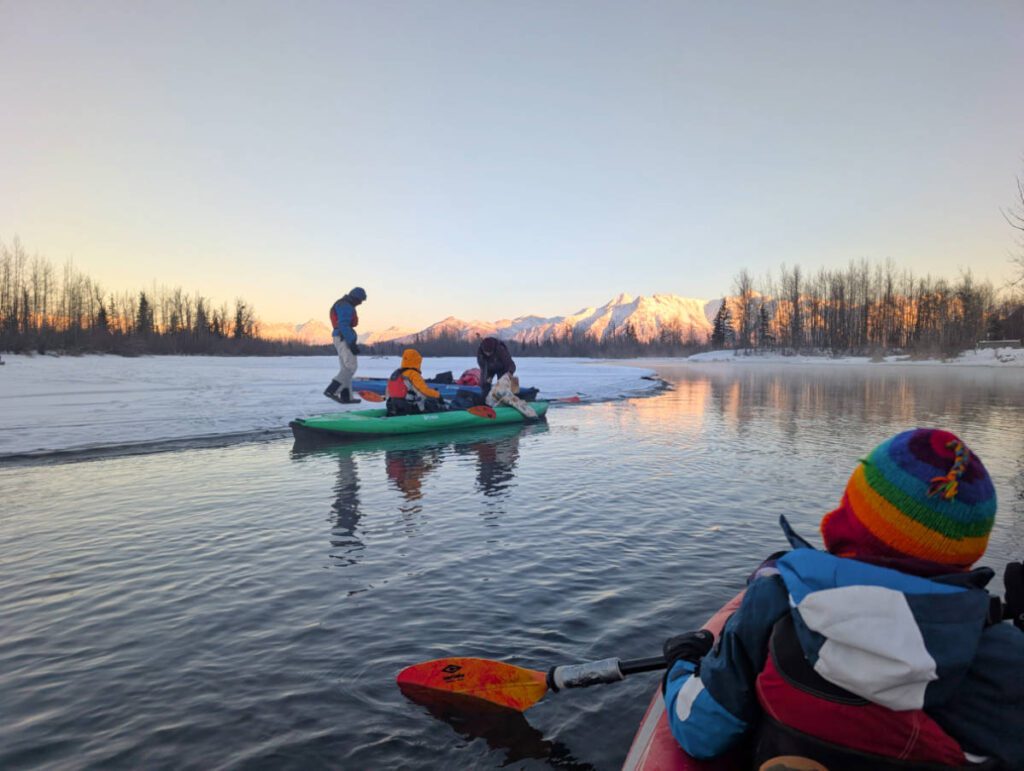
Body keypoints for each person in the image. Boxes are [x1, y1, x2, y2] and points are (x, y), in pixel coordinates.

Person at [662, 428, 1024, 769]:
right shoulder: (1005, 659)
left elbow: (700, 731)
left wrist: (683, 661)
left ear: (851, 518)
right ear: (969, 552)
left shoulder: (774, 600)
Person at [324, 287, 366, 404]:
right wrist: (351, 342)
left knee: (345, 368)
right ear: (355, 297)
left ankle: (346, 397)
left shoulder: (341, 304)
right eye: (360, 300)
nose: (360, 303)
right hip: (344, 338)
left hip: (339, 337)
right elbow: (343, 325)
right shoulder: (345, 306)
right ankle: (332, 390)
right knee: (351, 367)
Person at [385, 348, 446, 416]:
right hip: (408, 407)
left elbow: (388, 393)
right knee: (431, 401)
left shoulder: (395, 373)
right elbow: (424, 390)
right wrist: (437, 395)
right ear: (416, 361)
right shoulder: (413, 374)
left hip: (393, 406)